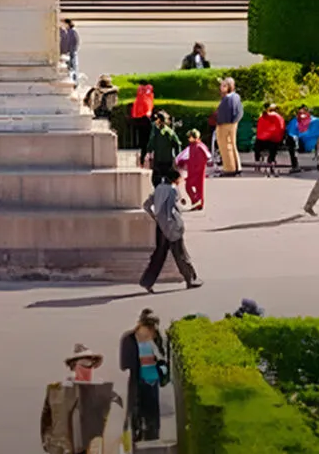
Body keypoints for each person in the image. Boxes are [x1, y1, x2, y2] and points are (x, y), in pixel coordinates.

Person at [40, 343, 118, 454]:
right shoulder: (57, 392)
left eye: (91, 364)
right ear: (74, 366)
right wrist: (50, 444)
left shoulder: (100, 392)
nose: (89, 369)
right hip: (63, 449)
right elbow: (46, 420)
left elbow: (107, 424)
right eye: (84, 364)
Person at [138, 168, 198, 293]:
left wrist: (155, 217)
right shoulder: (172, 190)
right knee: (180, 253)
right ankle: (190, 279)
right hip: (172, 227)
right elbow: (172, 209)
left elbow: (146, 205)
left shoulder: (158, 189)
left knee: (159, 254)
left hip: (160, 226)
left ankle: (147, 281)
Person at [120, 309, 170, 446]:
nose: (151, 330)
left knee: (152, 419)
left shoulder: (157, 338)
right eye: (149, 326)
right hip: (137, 381)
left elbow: (164, 359)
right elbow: (124, 364)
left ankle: (152, 439)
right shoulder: (129, 339)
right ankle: (137, 438)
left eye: (153, 327)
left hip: (153, 381)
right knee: (136, 414)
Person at [212, 77, 243, 176]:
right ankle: (237, 166)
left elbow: (225, 113)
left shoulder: (228, 98)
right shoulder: (236, 96)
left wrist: (221, 122)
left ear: (230, 87)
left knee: (225, 146)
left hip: (225, 124)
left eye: (224, 86)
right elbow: (239, 112)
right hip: (232, 123)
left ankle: (229, 168)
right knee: (232, 145)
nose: (221, 87)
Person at [176, 126, 212, 210]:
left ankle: (197, 201)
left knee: (193, 187)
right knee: (194, 187)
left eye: (190, 137)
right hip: (193, 170)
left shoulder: (199, 147)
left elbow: (202, 159)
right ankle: (197, 202)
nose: (189, 139)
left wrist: (193, 167)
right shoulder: (194, 146)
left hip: (197, 171)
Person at [254, 103, 286, 174]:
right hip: (273, 141)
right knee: (274, 145)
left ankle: (257, 161)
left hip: (262, 141)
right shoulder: (279, 118)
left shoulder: (262, 117)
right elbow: (281, 129)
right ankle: (271, 160)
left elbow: (259, 129)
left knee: (257, 144)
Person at [128, 82, 156, 161]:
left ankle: (142, 157)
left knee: (142, 138)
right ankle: (145, 156)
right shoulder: (148, 95)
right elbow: (149, 106)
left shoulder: (140, 96)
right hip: (146, 118)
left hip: (140, 118)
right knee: (147, 138)